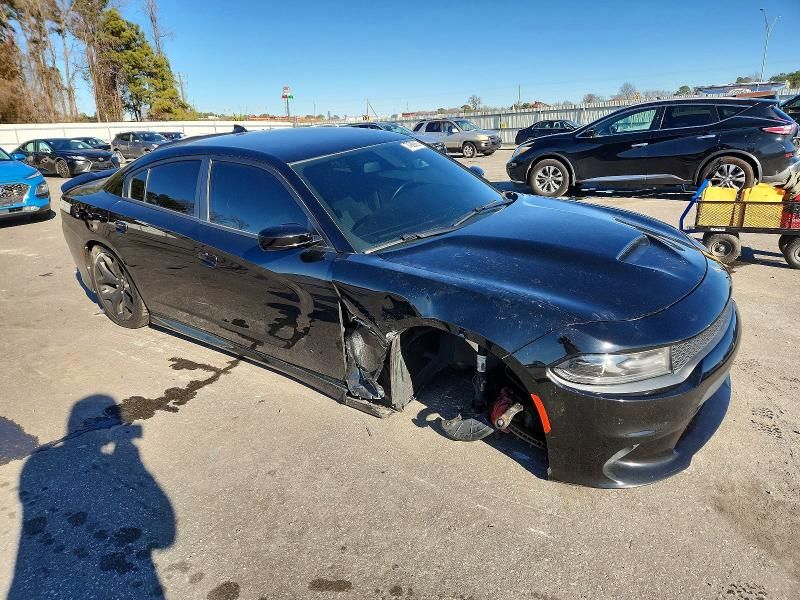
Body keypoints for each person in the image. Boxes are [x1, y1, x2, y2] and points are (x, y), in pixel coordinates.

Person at [9, 395, 175, 599]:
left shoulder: (34, 464)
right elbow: (166, 537)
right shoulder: (36, 464)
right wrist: (128, 449)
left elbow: (166, 537)